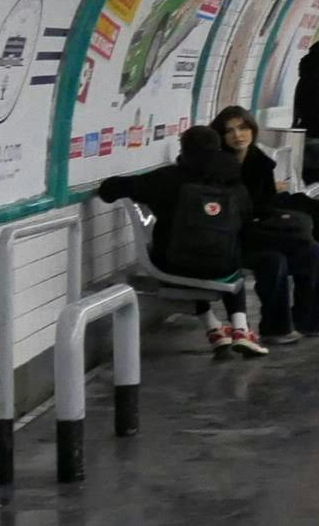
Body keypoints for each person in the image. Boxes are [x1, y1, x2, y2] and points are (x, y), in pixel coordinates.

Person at [95, 122, 266, 357]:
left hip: (171, 264)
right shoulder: (234, 183)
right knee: (227, 257)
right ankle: (240, 329)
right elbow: (246, 219)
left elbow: (108, 190)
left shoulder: (166, 178)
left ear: (183, 148)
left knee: (187, 255)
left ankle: (214, 328)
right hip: (222, 267)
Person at [208, 103, 319, 340]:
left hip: (260, 232)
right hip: (232, 239)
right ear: (221, 136)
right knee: (274, 261)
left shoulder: (260, 162)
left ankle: (311, 322)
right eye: (230, 130)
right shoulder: (216, 167)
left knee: (313, 252)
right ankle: (277, 328)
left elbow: (265, 205)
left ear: (252, 130)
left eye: (243, 128)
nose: (237, 135)